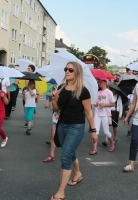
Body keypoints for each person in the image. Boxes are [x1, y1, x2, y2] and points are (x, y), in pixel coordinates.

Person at [50, 62, 97, 200]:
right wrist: (54, 99)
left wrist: (93, 130)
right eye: (66, 69)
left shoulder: (83, 90)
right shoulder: (61, 88)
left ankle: (61, 192)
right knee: (69, 153)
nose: (67, 71)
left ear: (77, 72)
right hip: (62, 125)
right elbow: (56, 108)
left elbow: (88, 112)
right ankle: (77, 174)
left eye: (70, 69)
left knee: (65, 156)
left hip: (76, 127)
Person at [90, 79, 115, 154]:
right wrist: (96, 104)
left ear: (105, 82)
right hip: (97, 114)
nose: (99, 83)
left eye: (101, 82)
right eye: (98, 82)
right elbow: (96, 102)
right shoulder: (98, 92)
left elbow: (113, 104)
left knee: (106, 132)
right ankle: (94, 148)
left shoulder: (109, 92)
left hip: (105, 114)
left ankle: (112, 142)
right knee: (95, 131)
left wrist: (105, 105)